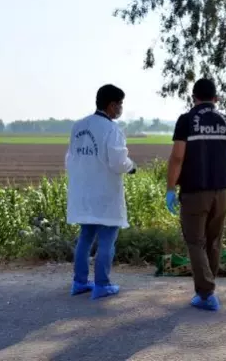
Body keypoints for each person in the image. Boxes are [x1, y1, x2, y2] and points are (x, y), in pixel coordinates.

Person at [166, 78, 226, 311]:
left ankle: (206, 294)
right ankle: (209, 287)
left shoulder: (186, 121)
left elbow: (178, 157)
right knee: (214, 241)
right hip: (221, 191)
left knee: (195, 241)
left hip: (195, 191)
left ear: (193, 97)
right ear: (216, 98)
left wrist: (170, 188)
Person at [65, 84, 136, 300]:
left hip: (84, 194)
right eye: (120, 104)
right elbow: (117, 162)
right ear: (111, 105)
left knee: (85, 238)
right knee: (106, 240)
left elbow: (70, 160)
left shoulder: (78, 127)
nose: (121, 108)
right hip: (105, 195)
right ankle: (102, 285)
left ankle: (79, 282)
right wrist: (131, 166)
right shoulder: (112, 130)